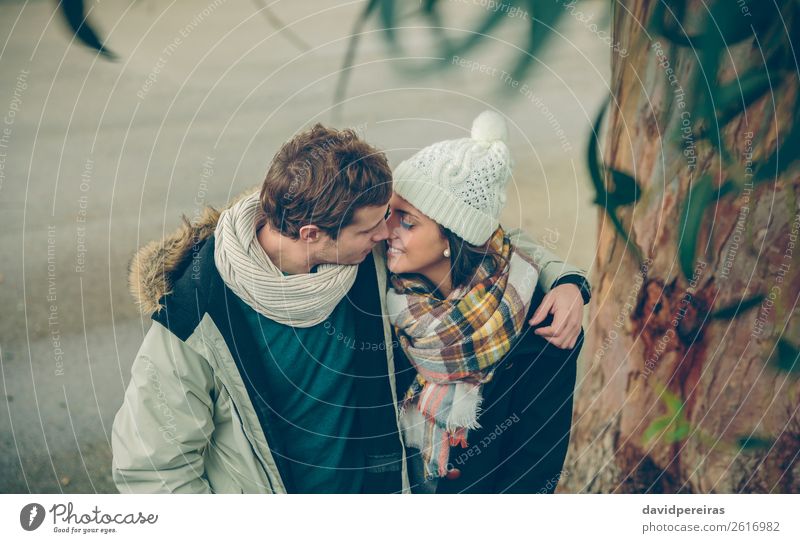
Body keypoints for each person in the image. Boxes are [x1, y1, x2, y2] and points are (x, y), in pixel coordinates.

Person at [111, 120, 589, 493]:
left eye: (391, 221)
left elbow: (476, 236)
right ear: (312, 236)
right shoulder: (197, 317)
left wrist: (566, 280)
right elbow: (153, 467)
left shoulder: (365, 254)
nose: (386, 235)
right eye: (374, 228)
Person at [385, 110, 589, 493]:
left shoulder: (541, 322)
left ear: (453, 237)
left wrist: (569, 283)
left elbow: (535, 465)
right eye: (387, 213)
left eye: (407, 221)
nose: (387, 229)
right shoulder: (383, 293)